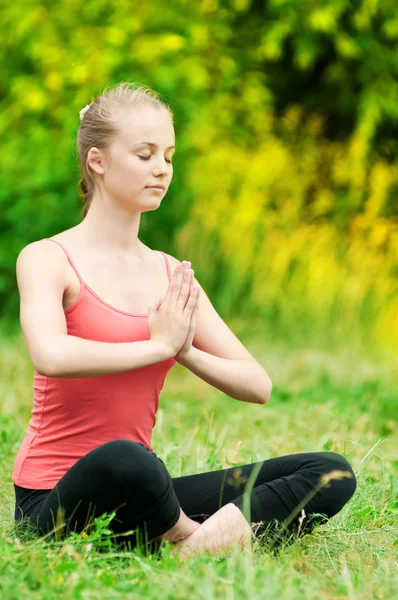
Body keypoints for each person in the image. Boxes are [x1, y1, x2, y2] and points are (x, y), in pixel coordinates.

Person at [12, 81, 357, 559]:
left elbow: (257, 385)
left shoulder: (171, 275)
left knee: (329, 470)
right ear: (98, 161)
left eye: (169, 156)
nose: (161, 169)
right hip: (56, 503)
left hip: (145, 498)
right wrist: (156, 346)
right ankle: (197, 538)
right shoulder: (48, 259)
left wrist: (185, 348)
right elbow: (50, 355)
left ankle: (186, 548)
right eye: (145, 154)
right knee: (127, 458)